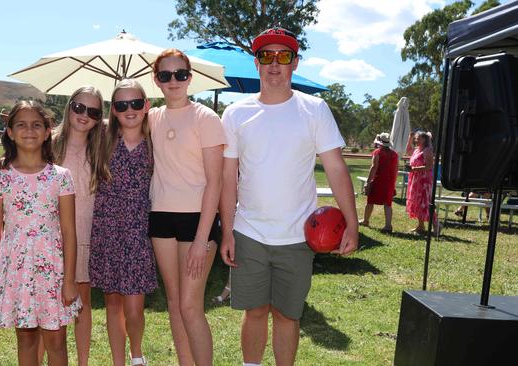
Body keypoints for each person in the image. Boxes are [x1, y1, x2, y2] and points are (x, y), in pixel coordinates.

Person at [219, 27, 359, 366]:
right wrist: (226, 232)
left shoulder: (315, 110)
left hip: (299, 236)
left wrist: (352, 225)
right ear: (257, 63)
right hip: (249, 232)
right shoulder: (236, 114)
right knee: (255, 311)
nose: (275, 64)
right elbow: (227, 178)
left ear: (295, 63)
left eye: (284, 56)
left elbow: (337, 169)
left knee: (287, 315)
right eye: (266, 56)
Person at [0, 100, 80, 366]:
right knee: (25, 338)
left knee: (57, 340)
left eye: (37, 125)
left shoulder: (61, 176)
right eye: (22, 125)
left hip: (53, 269)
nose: (30, 130)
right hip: (16, 271)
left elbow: (69, 231)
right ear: (11, 132)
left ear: (48, 131)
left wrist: (70, 280)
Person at [149, 48, 225, 366]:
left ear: (190, 78)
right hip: (160, 217)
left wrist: (201, 240)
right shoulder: (151, 117)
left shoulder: (206, 118)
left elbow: (215, 183)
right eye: (165, 76)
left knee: (191, 306)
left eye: (180, 74)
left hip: (198, 220)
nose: (174, 81)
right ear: (157, 81)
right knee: (175, 302)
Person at [89, 79, 156, 366]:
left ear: (147, 106)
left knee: (134, 306)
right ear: (113, 111)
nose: (129, 109)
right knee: (112, 302)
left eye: (136, 103)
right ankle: (118, 361)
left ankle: (136, 355)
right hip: (106, 226)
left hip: (139, 228)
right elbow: (63, 137)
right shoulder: (102, 136)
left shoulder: (156, 138)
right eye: (121, 105)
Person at [48, 86, 105, 366]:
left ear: (99, 118)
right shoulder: (49, 144)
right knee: (48, 309)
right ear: (69, 107)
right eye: (79, 107)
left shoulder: (101, 149)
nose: (84, 115)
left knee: (82, 305)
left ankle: (83, 362)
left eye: (92, 111)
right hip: (50, 239)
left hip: (84, 237)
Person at [359, 132, 398, 232]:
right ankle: (388, 226)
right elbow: (395, 170)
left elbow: (373, 167)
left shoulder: (377, 152)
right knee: (388, 204)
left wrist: (368, 182)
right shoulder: (395, 155)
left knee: (370, 201)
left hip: (378, 181)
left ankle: (366, 220)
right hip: (389, 182)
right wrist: (393, 184)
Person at [405, 130, 436, 234]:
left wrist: (413, 169)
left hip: (424, 181)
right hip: (416, 179)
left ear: (425, 139)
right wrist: (410, 138)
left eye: (418, 138)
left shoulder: (427, 150)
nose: (416, 140)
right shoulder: (417, 150)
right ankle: (421, 226)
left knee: (426, 203)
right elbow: (408, 150)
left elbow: (429, 166)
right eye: (416, 138)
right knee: (418, 202)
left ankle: (437, 226)